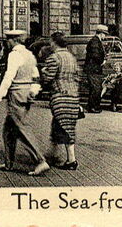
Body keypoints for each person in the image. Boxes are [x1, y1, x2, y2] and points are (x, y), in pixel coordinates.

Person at [0, 30, 50, 177]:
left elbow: (8, 77)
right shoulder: (29, 54)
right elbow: (36, 75)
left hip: (16, 93)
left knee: (20, 128)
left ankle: (40, 160)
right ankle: (8, 162)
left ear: (13, 40)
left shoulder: (14, 55)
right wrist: (33, 92)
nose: (7, 43)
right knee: (8, 130)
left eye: (8, 40)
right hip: (26, 93)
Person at [40, 32, 80, 171]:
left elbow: (48, 78)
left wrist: (43, 71)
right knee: (61, 125)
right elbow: (78, 77)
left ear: (54, 42)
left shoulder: (54, 58)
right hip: (73, 96)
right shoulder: (71, 58)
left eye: (51, 42)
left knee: (64, 127)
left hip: (60, 96)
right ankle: (53, 153)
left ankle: (71, 160)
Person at [83, 25, 107, 113]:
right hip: (93, 69)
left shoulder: (95, 41)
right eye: (104, 34)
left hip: (93, 68)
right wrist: (102, 61)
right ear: (101, 33)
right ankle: (93, 107)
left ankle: (92, 106)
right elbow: (95, 55)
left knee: (95, 88)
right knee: (96, 88)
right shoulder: (95, 42)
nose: (105, 36)